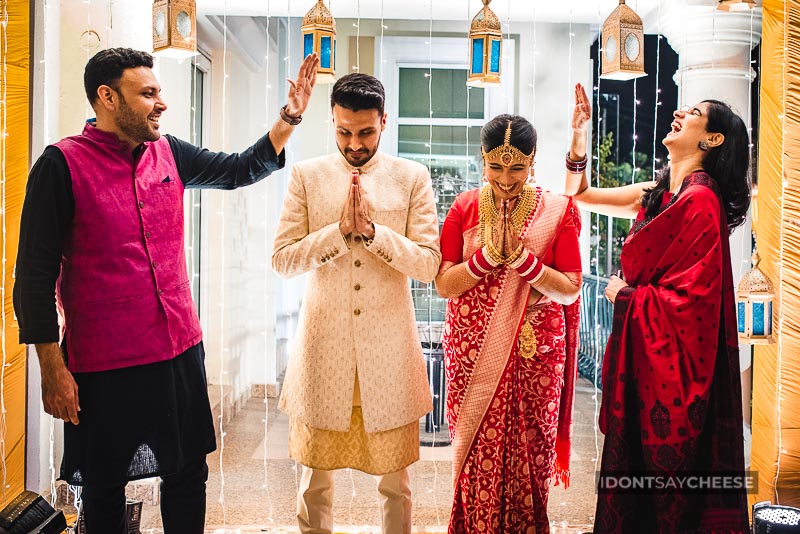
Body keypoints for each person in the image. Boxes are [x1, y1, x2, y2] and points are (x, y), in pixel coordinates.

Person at [13, 47, 319, 533]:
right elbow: (32, 275)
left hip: (178, 351)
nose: (162, 103)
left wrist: (291, 116)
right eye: (148, 93)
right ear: (107, 97)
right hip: (102, 364)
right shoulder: (60, 166)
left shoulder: (169, 152)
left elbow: (239, 169)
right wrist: (52, 367)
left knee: (187, 473)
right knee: (104, 483)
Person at [566, 83, 751, 533]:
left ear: (712, 139)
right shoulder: (660, 191)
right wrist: (579, 134)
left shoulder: (700, 200)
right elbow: (579, 193)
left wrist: (625, 297)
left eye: (693, 112)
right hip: (645, 364)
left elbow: (694, 306)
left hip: (672, 371)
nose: (679, 113)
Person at [272, 72, 440, 534]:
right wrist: (338, 235)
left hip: (389, 353)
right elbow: (282, 259)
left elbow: (429, 264)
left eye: (365, 132)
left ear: (384, 121)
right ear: (332, 120)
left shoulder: (411, 178)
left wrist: (373, 234)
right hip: (323, 351)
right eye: (344, 131)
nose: (355, 143)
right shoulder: (307, 175)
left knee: (396, 486)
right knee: (313, 484)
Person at [436, 114, 582, 533]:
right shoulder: (463, 207)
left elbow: (570, 288)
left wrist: (524, 262)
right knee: (474, 451)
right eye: (496, 166)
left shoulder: (557, 210)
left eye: (517, 167)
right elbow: (445, 283)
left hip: (536, 353)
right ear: (482, 160)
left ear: (532, 162)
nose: (505, 178)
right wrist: (485, 260)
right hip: (472, 350)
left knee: (531, 455)